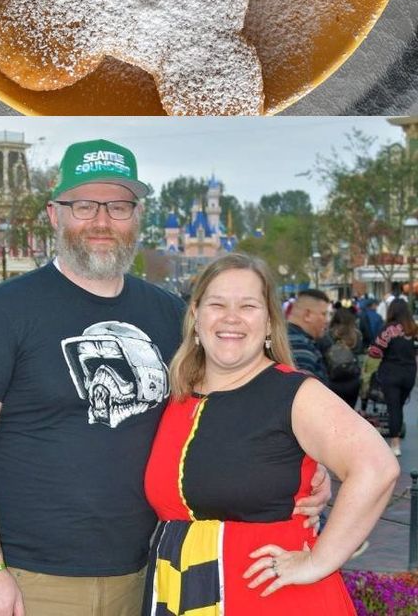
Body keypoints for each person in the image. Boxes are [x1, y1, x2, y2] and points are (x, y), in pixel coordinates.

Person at [0, 139, 329, 616]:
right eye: (84, 205)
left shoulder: (167, 313)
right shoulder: (5, 309)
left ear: (137, 216)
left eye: (118, 206)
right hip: (35, 579)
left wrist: (307, 464)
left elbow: (232, 405)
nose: (102, 221)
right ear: (54, 214)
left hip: (151, 570)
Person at [144, 253, 399, 614]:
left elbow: (376, 467)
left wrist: (320, 560)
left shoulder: (293, 393)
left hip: (268, 598)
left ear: (268, 323)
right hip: (181, 589)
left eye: (248, 305)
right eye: (217, 304)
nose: (231, 317)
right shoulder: (178, 397)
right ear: (196, 317)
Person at [367, 300, 418, 456]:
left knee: (393, 407)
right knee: (399, 406)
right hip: (409, 373)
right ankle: (396, 438)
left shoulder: (387, 329)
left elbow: (374, 351)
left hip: (390, 372)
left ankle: (395, 444)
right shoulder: (413, 329)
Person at [286, 289, 331, 383]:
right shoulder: (300, 347)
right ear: (307, 315)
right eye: (323, 314)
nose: (327, 321)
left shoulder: (285, 338)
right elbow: (305, 393)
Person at [326, 306, 363, 408]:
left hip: (333, 379)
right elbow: (359, 354)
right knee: (349, 411)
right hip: (353, 379)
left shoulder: (328, 334)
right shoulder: (357, 334)